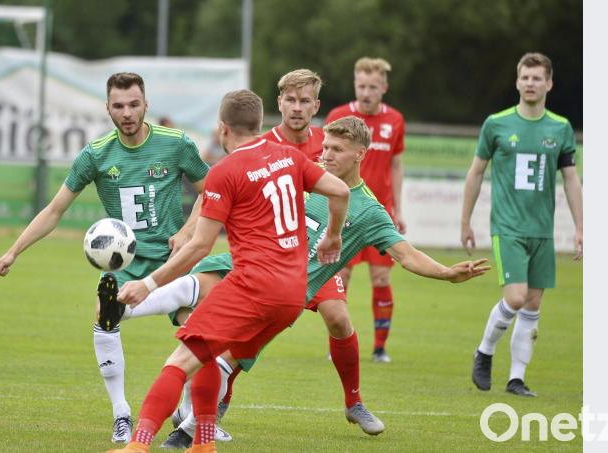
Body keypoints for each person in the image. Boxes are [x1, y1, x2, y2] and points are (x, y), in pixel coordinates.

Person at [119, 116, 490, 447]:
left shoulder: (371, 211)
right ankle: (192, 433)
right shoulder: (299, 168)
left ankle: (352, 403)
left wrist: (446, 272)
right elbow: (226, 187)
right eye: (325, 146)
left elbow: (406, 255)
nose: (326, 154)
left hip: (301, 281)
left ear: (361, 153)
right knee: (209, 336)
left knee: (334, 320)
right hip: (265, 270)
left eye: (337, 149)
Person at [106, 89, 350, 453]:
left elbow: (200, 247)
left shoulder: (225, 172)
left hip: (253, 286)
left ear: (222, 129)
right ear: (259, 123)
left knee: (179, 362)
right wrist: (332, 237)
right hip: (292, 295)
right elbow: (341, 190)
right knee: (211, 353)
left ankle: (137, 447)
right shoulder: (288, 156)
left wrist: (148, 283)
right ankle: (203, 444)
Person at [0, 72, 210, 443]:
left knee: (200, 329)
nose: (127, 113)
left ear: (146, 105)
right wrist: (14, 250)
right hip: (125, 265)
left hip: (174, 258)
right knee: (104, 315)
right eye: (118, 106)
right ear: (107, 108)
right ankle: (121, 413)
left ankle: (189, 416)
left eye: (134, 104)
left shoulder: (176, 144)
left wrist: (188, 231)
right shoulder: (95, 155)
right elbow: (55, 209)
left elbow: (212, 193)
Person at [462, 52, 583, 397]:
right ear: (517, 82)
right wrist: (465, 220)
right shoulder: (496, 124)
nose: (530, 83)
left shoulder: (559, 129)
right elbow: (475, 173)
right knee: (515, 297)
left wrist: (580, 227)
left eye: (537, 78)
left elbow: (571, 180)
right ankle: (484, 351)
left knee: (532, 304)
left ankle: (516, 378)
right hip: (508, 227)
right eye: (525, 77)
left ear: (549, 83)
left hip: (542, 229)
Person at [325, 57, 406, 363]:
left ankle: (379, 347)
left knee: (381, 278)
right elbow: (326, 162)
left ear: (383, 88)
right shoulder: (339, 116)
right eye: (361, 86)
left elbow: (397, 165)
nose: (366, 92)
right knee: (339, 276)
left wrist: (397, 207)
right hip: (343, 209)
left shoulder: (395, 120)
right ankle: (338, 343)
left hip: (377, 211)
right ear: (354, 85)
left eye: (373, 87)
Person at [261, 68, 325, 162]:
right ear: (280, 103)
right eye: (290, 100)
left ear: (316, 106)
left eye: (304, 101)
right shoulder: (261, 148)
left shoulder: (327, 142)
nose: (297, 108)